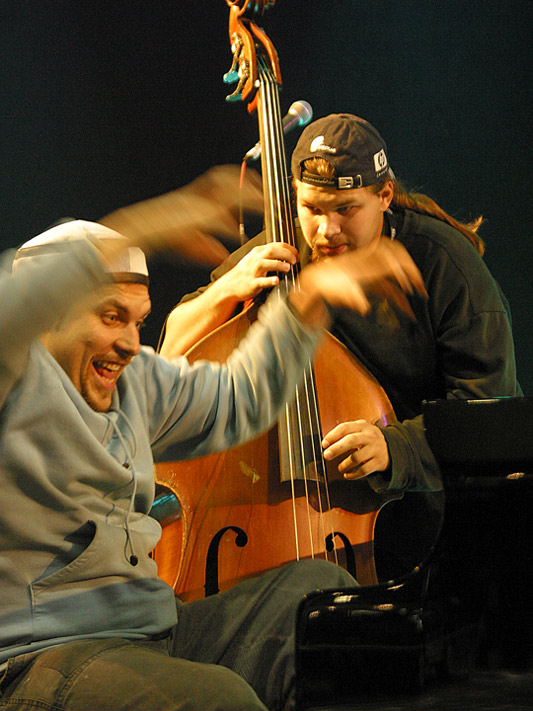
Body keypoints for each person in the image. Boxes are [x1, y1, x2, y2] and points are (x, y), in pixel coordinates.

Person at [0, 167, 441, 711]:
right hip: (31, 665)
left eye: (138, 320)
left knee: (330, 611)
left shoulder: (134, 384)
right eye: (110, 316)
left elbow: (238, 399)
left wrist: (306, 303)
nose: (129, 343)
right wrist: (147, 225)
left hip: (148, 636)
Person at [159, 113, 522, 577]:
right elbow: (173, 349)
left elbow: (488, 411)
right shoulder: (280, 249)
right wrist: (224, 290)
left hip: (428, 519)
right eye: (311, 208)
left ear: (384, 195)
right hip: (275, 521)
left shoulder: (445, 263)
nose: (326, 230)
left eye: (346, 209)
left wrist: (396, 447)